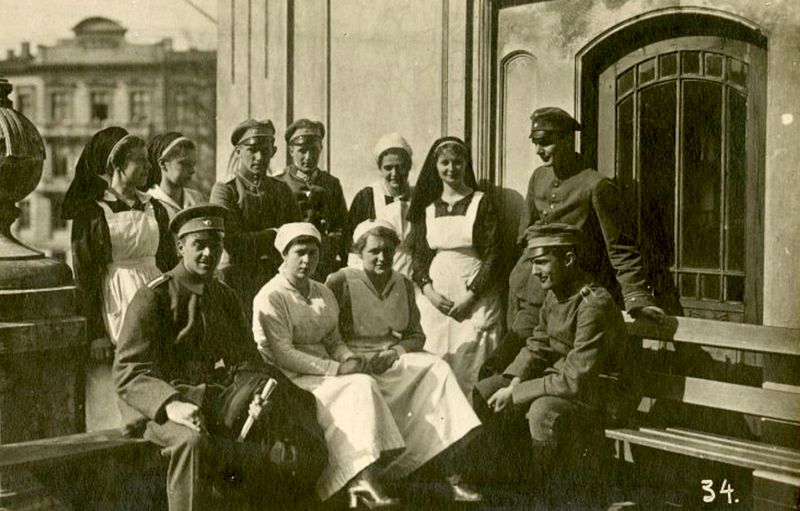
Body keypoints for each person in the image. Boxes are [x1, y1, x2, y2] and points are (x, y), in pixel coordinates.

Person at [113, 205, 327, 511]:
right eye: (199, 244)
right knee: (192, 442)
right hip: (156, 408)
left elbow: (246, 359)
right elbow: (129, 371)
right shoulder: (154, 296)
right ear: (180, 247)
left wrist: (259, 393)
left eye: (216, 244)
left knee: (290, 428)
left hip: (211, 399)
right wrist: (171, 404)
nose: (208, 253)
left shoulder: (224, 296)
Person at [482, 106, 675, 376]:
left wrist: (636, 297)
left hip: (562, 299)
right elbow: (524, 234)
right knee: (507, 367)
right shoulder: (538, 177)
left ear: (566, 139)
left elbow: (619, 248)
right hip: (524, 289)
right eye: (536, 142)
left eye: (546, 142)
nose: (539, 150)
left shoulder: (595, 185)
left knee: (512, 369)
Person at [326, 219, 483, 502]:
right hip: (353, 360)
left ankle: (451, 469)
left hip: (390, 356)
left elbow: (415, 336)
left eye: (388, 250)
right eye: (374, 251)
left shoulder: (403, 283)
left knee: (437, 368)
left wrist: (394, 352)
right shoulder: (340, 281)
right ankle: (365, 476)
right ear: (360, 252)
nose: (382, 257)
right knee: (362, 388)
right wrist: (351, 358)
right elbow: (328, 334)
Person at [253, 222, 408, 506]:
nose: (307, 260)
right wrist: (336, 369)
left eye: (312, 253)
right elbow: (283, 353)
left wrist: (348, 357)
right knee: (359, 387)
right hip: (289, 377)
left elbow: (334, 339)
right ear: (283, 255)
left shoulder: (323, 292)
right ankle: (359, 478)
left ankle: (364, 475)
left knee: (363, 383)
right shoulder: (271, 296)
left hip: (323, 372)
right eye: (299, 253)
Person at [473, 223, 633, 499]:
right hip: (565, 383)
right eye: (533, 263)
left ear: (568, 260)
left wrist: (516, 393)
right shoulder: (555, 293)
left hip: (600, 394)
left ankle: (548, 496)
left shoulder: (593, 304)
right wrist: (513, 381)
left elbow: (575, 379)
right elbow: (539, 344)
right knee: (485, 390)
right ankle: (503, 486)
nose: (535, 271)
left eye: (542, 262)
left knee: (541, 410)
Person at [63, 127, 178, 431]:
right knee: (115, 382)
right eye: (139, 161)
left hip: (154, 294)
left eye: (148, 160)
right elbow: (85, 275)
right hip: (114, 300)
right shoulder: (93, 212)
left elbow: (169, 263)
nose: (148, 167)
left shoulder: (155, 207)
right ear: (117, 165)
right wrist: (96, 332)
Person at [407, 136, 503, 399]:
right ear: (436, 166)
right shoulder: (428, 208)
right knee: (437, 362)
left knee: (471, 363)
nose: (451, 169)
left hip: (474, 295)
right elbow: (419, 255)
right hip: (436, 301)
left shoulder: (481, 202)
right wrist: (429, 292)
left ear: (465, 164)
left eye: (457, 162)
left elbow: (494, 254)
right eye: (445, 163)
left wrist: (471, 296)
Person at [210, 119, 301, 323]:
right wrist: (275, 234)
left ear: (273, 152)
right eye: (252, 150)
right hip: (238, 281)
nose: (259, 157)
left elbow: (297, 236)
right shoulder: (225, 190)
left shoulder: (281, 189)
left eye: (265, 151)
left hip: (279, 280)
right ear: (238, 151)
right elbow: (234, 243)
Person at [273, 119, 348, 281]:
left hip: (323, 262)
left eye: (314, 150)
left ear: (321, 149)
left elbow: (342, 226)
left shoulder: (331, 183)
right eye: (302, 151)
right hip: (288, 264)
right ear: (291, 150)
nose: (308, 157)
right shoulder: (278, 183)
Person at [346, 133, 415, 278]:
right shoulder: (367, 197)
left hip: (410, 271)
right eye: (388, 168)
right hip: (374, 273)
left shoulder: (418, 197)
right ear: (380, 169)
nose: (394, 173)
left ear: (409, 167)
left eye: (400, 167)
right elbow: (353, 246)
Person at [145, 131, 206, 220]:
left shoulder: (197, 199)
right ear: (162, 164)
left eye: (193, 165)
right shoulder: (148, 202)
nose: (192, 171)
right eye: (185, 164)